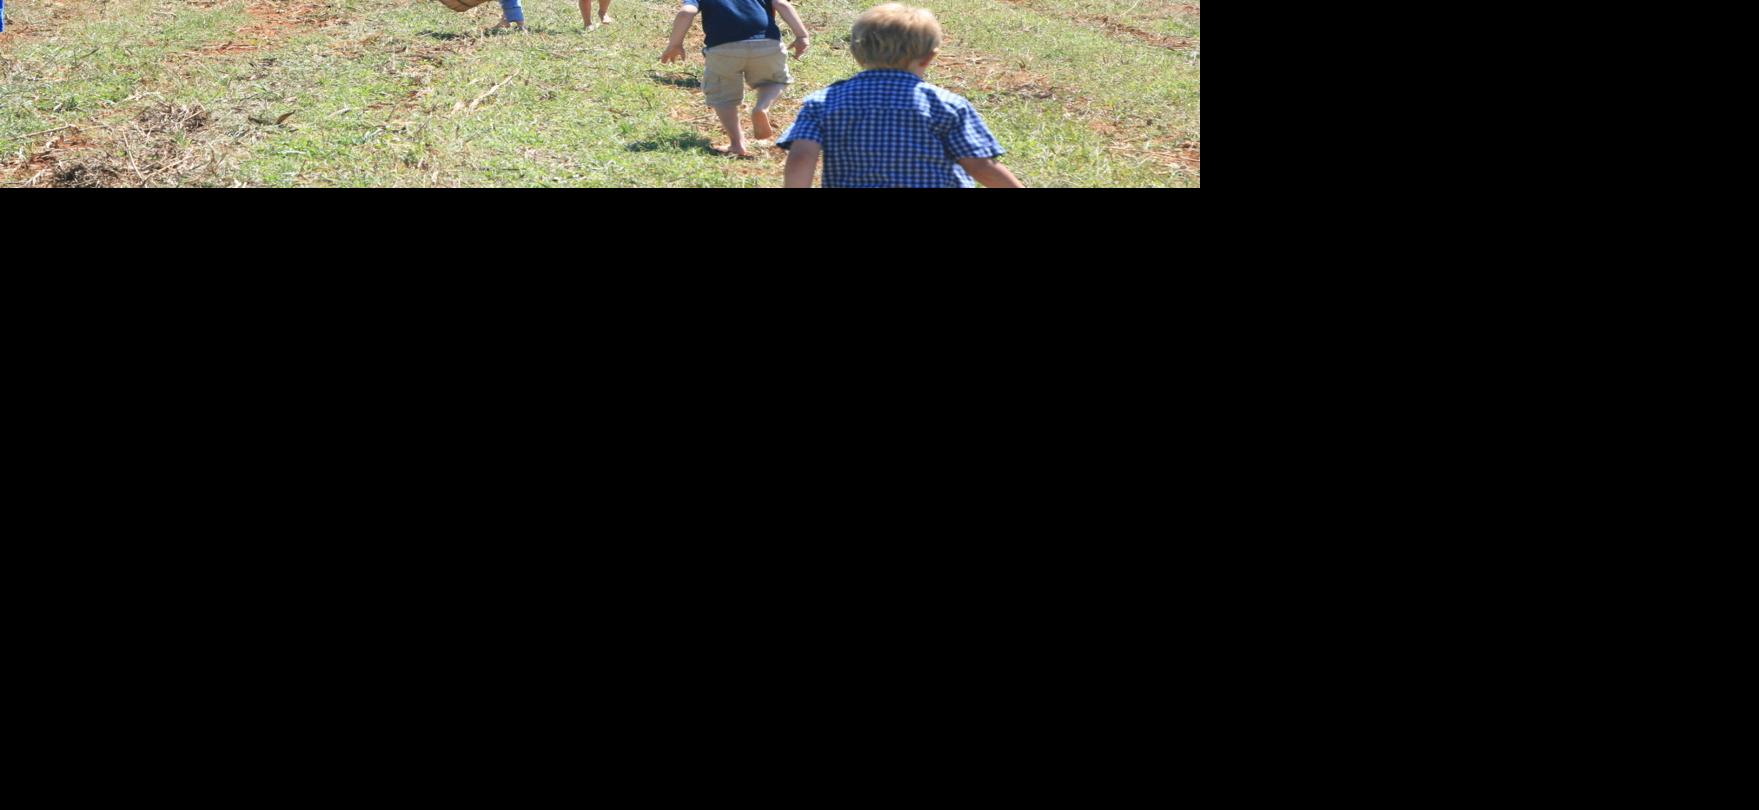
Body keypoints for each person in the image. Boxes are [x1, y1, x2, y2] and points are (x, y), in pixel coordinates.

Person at [778, 3, 1024, 187]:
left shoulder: (822, 102)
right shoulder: (947, 106)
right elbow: (980, 166)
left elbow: (801, 158)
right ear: (929, 57)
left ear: (855, 52)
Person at [660, 0, 811, 158]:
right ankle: (762, 107)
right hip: (767, 43)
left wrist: (675, 44)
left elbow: (686, 12)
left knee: (723, 97)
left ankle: (737, 144)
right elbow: (782, 4)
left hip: (723, 48)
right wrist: (802, 35)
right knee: (774, 81)